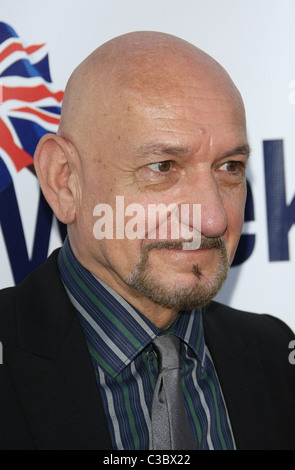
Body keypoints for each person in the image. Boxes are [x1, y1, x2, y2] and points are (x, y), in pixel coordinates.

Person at [0, 31, 294, 451]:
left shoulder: (276, 355)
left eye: (230, 166)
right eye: (163, 166)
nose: (212, 218)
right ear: (65, 181)